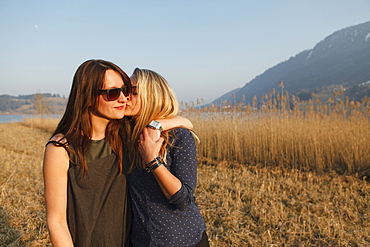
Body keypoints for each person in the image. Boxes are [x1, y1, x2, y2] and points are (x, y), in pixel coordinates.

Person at [43, 59, 192, 247]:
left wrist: (157, 125)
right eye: (112, 93)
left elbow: (186, 123)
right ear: (87, 97)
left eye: (125, 90)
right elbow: (56, 222)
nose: (123, 98)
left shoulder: (125, 134)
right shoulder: (61, 148)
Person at [125, 68, 209, 247]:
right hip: (141, 241)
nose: (125, 97)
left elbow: (184, 199)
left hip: (185, 241)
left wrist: (153, 161)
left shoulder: (178, 136)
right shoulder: (126, 134)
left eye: (133, 92)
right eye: (126, 91)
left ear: (152, 96)